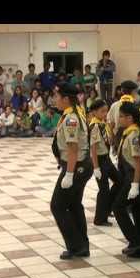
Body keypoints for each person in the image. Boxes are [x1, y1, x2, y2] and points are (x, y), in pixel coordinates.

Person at [50, 83, 93, 260]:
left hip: (76, 166)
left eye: (57, 96)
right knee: (74, 206)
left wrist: (69, 174)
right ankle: (81, 246)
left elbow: (73, 147)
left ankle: (76, 246)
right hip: (78, 165)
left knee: (58, 206)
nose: (54, 99)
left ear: (66, 99)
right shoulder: (72, 113)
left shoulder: (71, 118)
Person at [113, 102, 140, 257]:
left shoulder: (133, 135)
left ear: (130, 118)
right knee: (136, 209)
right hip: (130, 176)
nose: (119, 119)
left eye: (121, 116)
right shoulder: (128, 132)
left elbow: (138, 161)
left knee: (118, 207)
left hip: (135, 177)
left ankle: (136, 241)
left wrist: (135, 184)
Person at [89, 99, 120, 227]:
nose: (105, 113)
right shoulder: (95, 126)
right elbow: (93, 149)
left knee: (120, 181)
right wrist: (96, 167)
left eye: (106, 111)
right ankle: (100, 218)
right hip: (99, 160)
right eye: (102, 111)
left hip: (106, 158)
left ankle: (108, 208)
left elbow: (109, 139)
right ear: (94, 112)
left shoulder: (103, 123)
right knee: (104, 189)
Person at [106, 81, 138, 154]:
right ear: (133, 92)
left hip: (119, 135)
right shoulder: (136, 105)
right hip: (134, 135)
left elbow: (111, 124)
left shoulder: (115, 105)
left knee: (120, 158)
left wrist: (111, 138)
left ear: (122, 91)